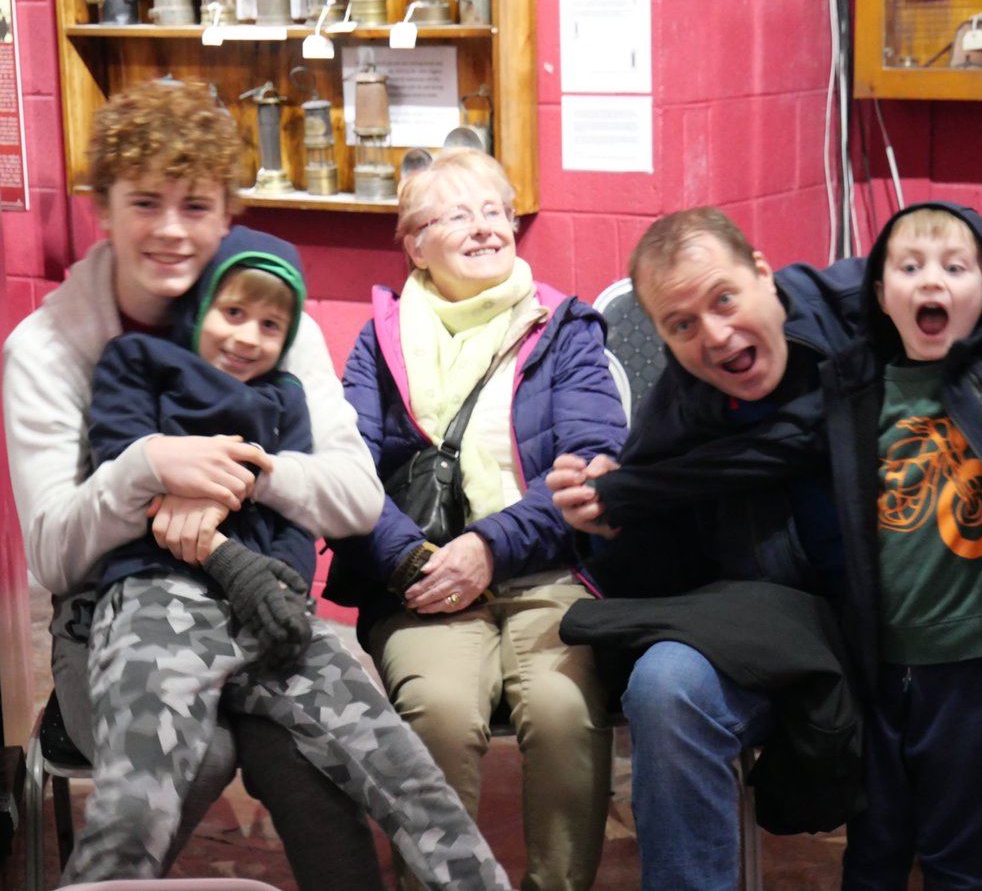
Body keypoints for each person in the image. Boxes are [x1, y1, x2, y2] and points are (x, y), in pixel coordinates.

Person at [548, 181, 982, 891]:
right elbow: (656, 574)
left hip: (968, 600)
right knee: (666, 684)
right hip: (800, 630)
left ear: (764, 274)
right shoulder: (681, 407)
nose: (715, 334)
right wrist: (608, 523)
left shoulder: (862, 299)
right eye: (681, 325)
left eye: (725, 299)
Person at [2, 80, 389, 890]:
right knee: (194, 746)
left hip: (256, 606)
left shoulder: (268, 318)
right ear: (103, 211)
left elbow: (357, 497)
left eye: (196, 206)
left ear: (225, 217)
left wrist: (236, 474)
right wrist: (145, 468)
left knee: (311, 750)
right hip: (109, 621)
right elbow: (52, 556)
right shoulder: (45, 349)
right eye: (146, 202)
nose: (173, 230)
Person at [64, 224, 512, 890]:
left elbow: (295, 526)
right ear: (200, 305)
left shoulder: (286, 398)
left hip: (271, 615)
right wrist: (228, 549)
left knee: (404, 770)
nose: (248, 337)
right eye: (232, 312)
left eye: (271, 325)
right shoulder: (138, 361)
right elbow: (128, 472)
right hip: (158, 599)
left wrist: (278, 587)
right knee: (138, 798)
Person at [327, 147, 628, 891]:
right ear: (415, 244)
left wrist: (488, 547)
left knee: (561, 712)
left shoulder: (564, 328)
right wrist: (412, 560)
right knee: (438, 712)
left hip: (548, 571)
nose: (487, 228)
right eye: (459, 215)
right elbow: (346, 471)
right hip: (422, 579)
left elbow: (592, 463)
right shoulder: (379, 342)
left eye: (496, 211)